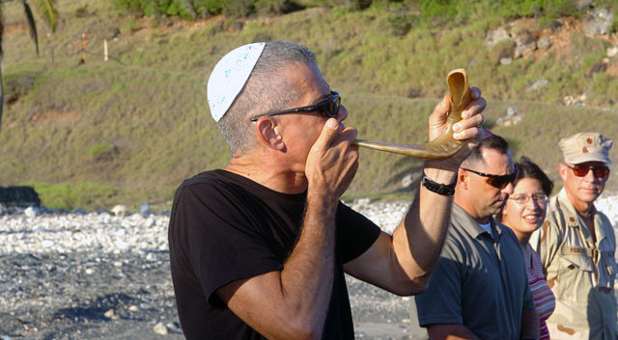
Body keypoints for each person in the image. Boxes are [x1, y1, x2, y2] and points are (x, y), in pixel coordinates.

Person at [167, 40, 486, 339]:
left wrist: (441, 167)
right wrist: (323, 198)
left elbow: (404, 271)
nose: (341, 113)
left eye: (336, 100)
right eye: (326, 106)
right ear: (271, 132)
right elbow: (295, 326)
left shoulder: (308, 199)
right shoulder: (207, 201)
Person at [414, 134, 539, 340]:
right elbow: (445, 332)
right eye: (497, 181)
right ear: (463, 178)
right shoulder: (441, 243)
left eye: (511, 178)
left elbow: (528, 307)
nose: (508, 189)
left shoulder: (507, 237)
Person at [530, 132, 617, 340]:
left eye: (600, 170)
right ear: (563, 171)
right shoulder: (548, 221)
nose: (591, 178)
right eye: (581, 169)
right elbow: (526, 291)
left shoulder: (604, 224)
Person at [500, 156, 556, 340]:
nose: (532, 206)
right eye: (521, 198)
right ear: (503, 204)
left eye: (539, 197)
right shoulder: (499, 254)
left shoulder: (530, 252)